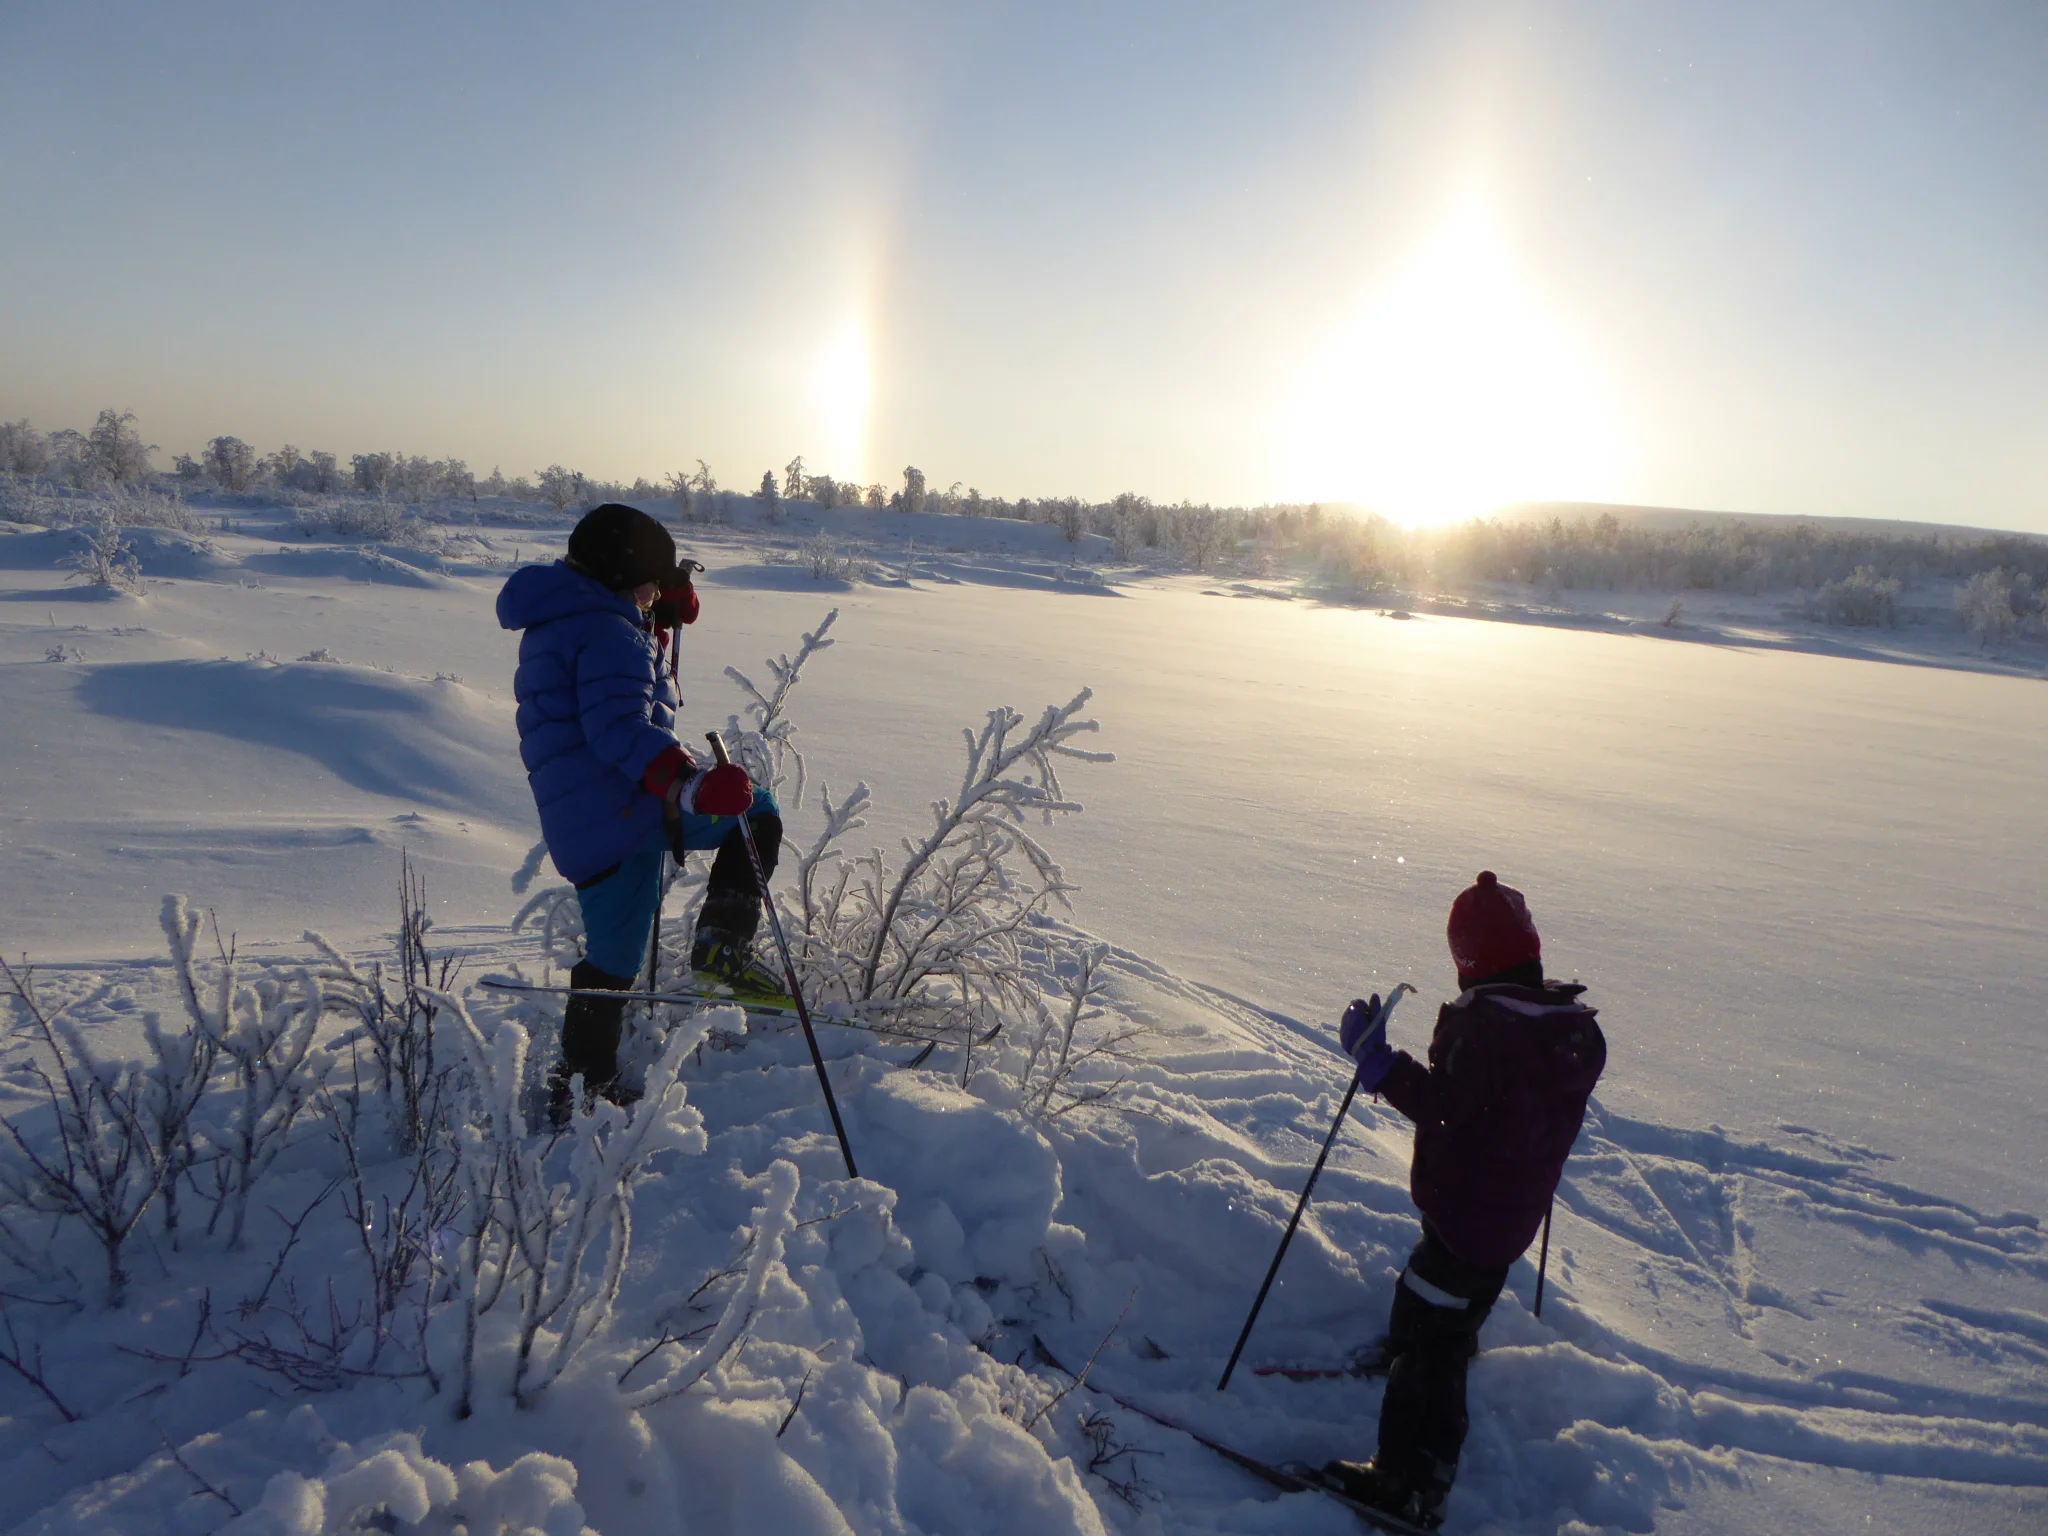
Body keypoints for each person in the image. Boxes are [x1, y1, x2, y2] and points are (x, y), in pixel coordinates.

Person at [1322, 871, 1607, 1530]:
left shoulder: (1487, 1032)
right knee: (1437, 1295)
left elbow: (1444, 1109)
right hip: (1510, 1218)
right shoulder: (1567, 1031)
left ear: (1468, 961)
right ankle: (1417, 1349)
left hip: (1468, 1217)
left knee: (1435, 1339)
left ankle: (1411, 1482)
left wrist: (1378, 1064)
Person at [496, 503, 789, 1121]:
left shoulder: (573, 615)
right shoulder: (608, 633)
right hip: (621, 813)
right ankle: (715, 952)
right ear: (623, 577)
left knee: (616, 951)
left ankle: (580, 1083)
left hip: (588, 813)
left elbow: (616, 688)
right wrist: (691, 784)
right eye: (653, 582)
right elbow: (618, 727)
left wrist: (652, 620)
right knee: (752, 815)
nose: (661, 593)